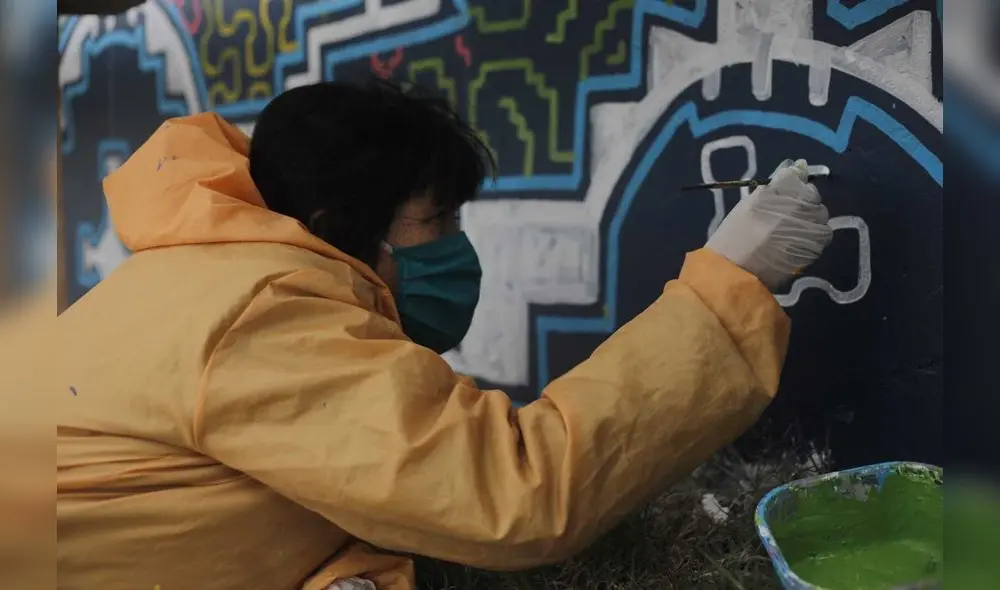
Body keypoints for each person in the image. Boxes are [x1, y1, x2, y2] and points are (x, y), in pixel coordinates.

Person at [56, 79, 832, 590]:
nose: (458, 247)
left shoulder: (199, 276)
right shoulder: (259, 318)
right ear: (339, 226)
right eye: (439, 221)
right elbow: (517, 491)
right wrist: (729, 286)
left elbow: (235, 504)